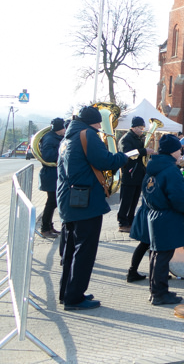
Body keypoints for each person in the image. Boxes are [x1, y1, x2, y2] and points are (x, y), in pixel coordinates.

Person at [56, 106, 129, 310]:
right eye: (99, 123)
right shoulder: (87, 134)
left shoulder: (68, 137)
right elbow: (104, 161)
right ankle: (75, 297)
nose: (100, 127)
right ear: (93, 122)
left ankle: (68, 292)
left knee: (71, 249)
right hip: (84, 202)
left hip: (69, 201)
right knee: (84, 251)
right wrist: (123, 158)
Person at [141, 134, 184, 305]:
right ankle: (160, 294)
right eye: (179, 149)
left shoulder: (152, 167)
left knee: (156, 254)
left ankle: (156, 290)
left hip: (155, 213)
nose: (181, 151)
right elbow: (178, 197)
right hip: (167, 215)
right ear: (173, 151)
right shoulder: (171, 170)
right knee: (163, 256)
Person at [117, 116, 155, 232]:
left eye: (143, 127)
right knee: (126, 200)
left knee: (134, 200)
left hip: (139, 173)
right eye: (140, 127)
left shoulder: (139, 138)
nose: (142, 129)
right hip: (130, 173)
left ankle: (130, 221)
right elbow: (127, 154)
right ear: (133, 127)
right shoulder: (126, 139)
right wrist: (144, 151)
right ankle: (122, 223)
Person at [37, 117, 65, 239]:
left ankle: (48, 226)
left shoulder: (55, 137)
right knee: (51, 202)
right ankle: (44, 228)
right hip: (50, 174)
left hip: (53, 174)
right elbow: (48, 156)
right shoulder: (49, 138)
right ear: (60, 129)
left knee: (52, 202)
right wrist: (63, 152)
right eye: (64, 127)